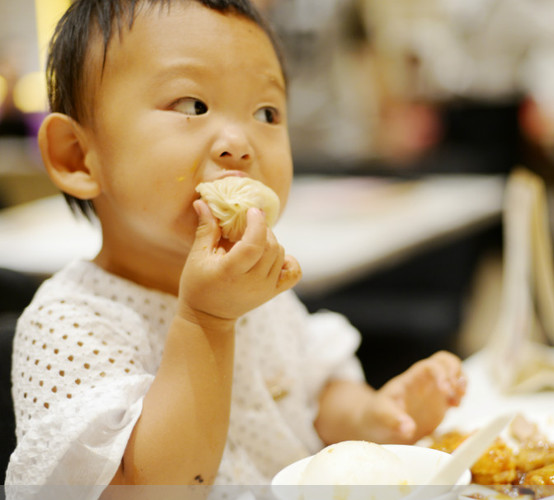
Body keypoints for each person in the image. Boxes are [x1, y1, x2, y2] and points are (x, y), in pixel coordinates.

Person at [5, 0, 466, 493]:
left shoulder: (257, 295)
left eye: (266, 112)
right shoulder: (69, 326)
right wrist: (205, 322)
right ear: (77, 156)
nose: (239, 142)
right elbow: (150, 488)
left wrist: (372, 416)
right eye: (191, 106)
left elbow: (310, 397)